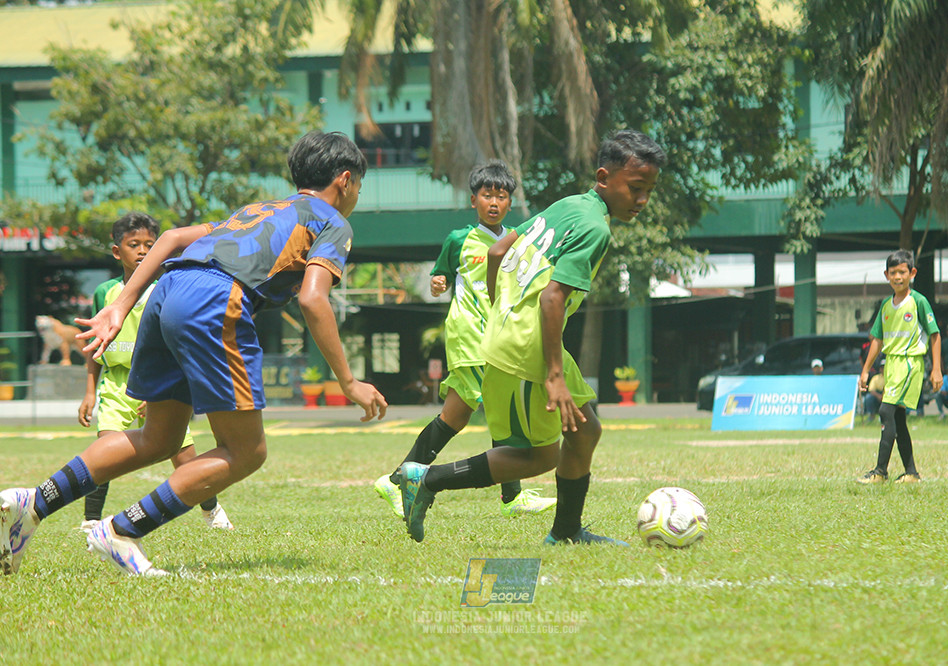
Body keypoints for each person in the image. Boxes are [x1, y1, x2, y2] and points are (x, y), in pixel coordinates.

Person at [0, 131, 387, 577]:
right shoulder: (333, 222)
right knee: (246, 450)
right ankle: (121, 531)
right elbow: (314, 300)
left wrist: (119, 305)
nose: (357, 194)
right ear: (344, 180)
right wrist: (349, 381)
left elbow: (171, 239)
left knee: (159, 438)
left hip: (168, 292)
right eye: (359, 185)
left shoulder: (258, 209)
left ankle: (33, 503)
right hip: (215, 301)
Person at [395, 129, 666, 545]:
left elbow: (498, 252)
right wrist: (554, 375)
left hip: (516, 335)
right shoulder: (595, 228)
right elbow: (553, 298)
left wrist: (500, 306)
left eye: (648, 190)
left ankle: (567, 531)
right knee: (537, 456)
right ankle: (427, 479)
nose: (642, 200)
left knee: (584, 432)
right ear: (604, 176)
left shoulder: (569, 206)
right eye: (635, 188)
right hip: (529, 346)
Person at [373, 161, 555, 519]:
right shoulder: (459, 239)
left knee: (454, 416)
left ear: (509, 203)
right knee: (500, 408)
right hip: (470, 335)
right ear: (474, 200)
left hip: (498, 334)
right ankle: (512, 497)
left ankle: (397, 480)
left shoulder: (515, 239)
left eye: (501, 196)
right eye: (487, 195)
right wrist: (437, 283)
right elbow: (440, 277)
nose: (493, 202)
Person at [77, 212, 233, 532]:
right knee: (105, 452)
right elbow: (94, 344)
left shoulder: (167, 287)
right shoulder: (104, 293)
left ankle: (213, 512)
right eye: (133, 244)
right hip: (117, 385)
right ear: (117, 251)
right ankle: (91, 520)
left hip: (159, 381)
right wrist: (90, 391)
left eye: (150, 244)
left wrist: (160, 388)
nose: (143, 250)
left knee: (185, 458)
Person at [858, 249, 941, 484]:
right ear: (886, 275)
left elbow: (935, 335)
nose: (897, 277)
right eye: (893, 273)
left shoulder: (918, 302)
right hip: (892, 364)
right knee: (898, 418)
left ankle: (880, 473)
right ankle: (911, 473)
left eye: (902, 272)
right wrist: (866, 370)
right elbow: (877, 340)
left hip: (910, 363)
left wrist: (936, 369)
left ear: (912, 273)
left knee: (886, 411)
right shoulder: (885, 306)